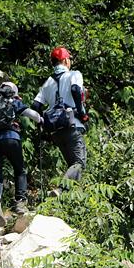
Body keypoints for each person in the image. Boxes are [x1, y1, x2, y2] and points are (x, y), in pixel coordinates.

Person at [0, 81, 42, 216]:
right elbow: (32, 115)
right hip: (11, 138)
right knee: (19, 170)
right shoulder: (12, 100)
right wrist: (41, 120)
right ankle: (20, 202)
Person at [32, 47, 89, 185]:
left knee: (72, 166)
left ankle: (66, 200)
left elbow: (35, 105)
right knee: (79, 163)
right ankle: (60, 189)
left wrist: (42, 123)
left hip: (56, 131)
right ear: (65, 60)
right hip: (72, 124)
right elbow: (75, 89)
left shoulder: (48, 82)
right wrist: (82, 113)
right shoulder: (74, 74)